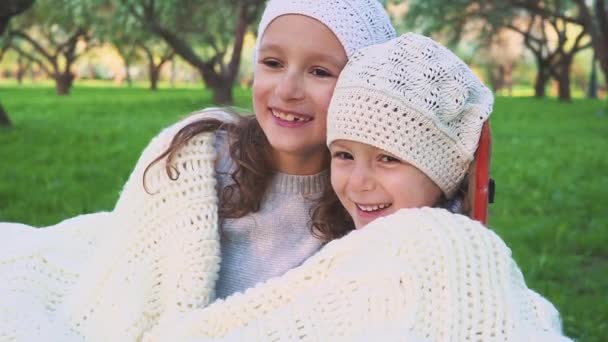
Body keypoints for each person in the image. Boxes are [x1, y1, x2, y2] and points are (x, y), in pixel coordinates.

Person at [0, 0, 396, 340]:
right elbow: (131, 283)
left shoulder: (374, 190)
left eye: (319, 72)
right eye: (273, 63)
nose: (288, 89)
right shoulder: (199, 156)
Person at [142, 33, 571, 341]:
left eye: (388, 158)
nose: (360, 182)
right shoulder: (348, 246)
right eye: (344, 155)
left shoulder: (448, 246)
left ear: (439, 171)